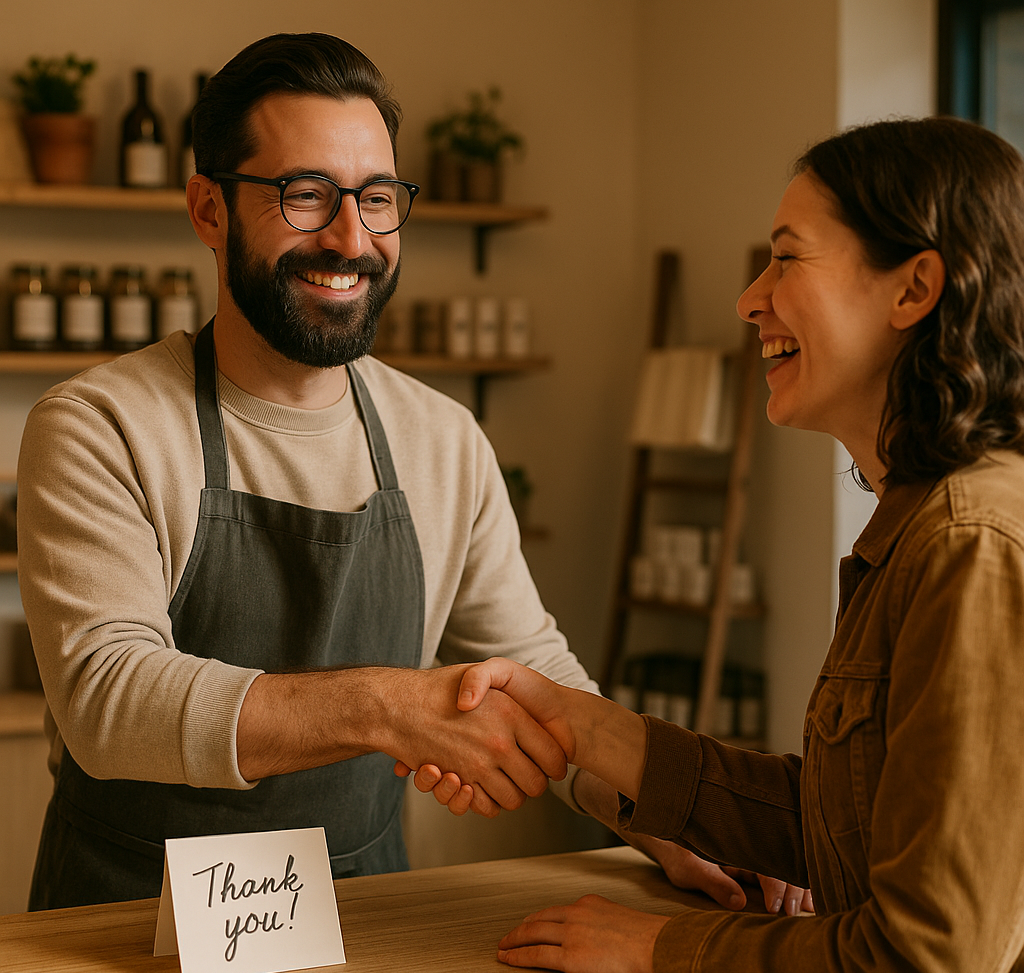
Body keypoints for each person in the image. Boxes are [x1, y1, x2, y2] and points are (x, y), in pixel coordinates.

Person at [17, 32, 799, 916]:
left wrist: (671, 818)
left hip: (361, 921)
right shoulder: (100, 425)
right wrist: (385, 706)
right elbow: (106, 695)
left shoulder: (441, 438)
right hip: (122, 926)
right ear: (209, 208)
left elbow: (533, 671)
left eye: (377, 198)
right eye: (305, 195)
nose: (352, 238)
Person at [414, 116, 1024, 973]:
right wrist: (583, 726)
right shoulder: (920, 529)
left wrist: (658, 946)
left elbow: (922, 972)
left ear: (914, 289)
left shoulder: (971, 547)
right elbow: (837, 824)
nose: (749, 298)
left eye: (787, 260)